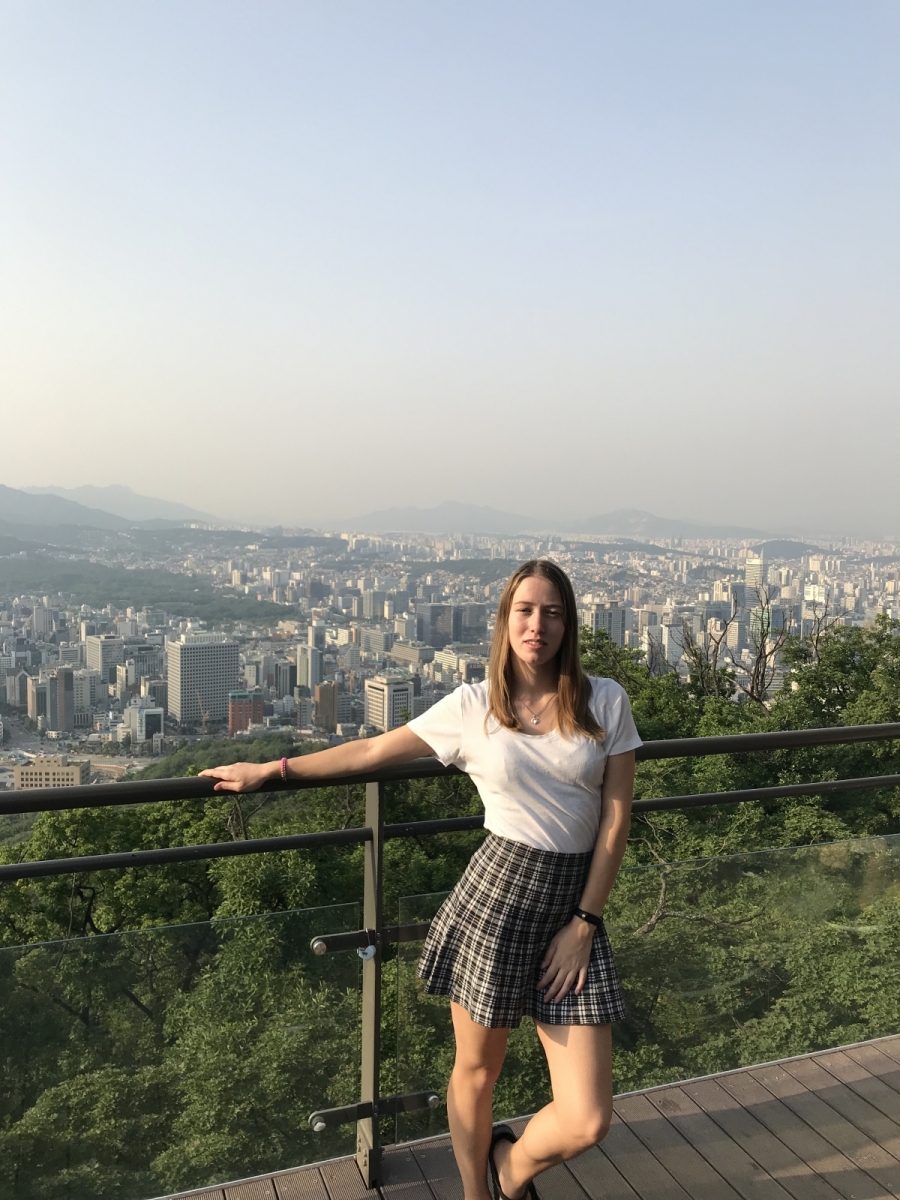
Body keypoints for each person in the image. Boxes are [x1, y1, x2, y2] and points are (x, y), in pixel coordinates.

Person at [201, 560, 641, 1200]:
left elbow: (616, 817)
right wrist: (275, 769)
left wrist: (586, 922)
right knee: (477, 1070)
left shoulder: (605, 700)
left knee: (587, 1118)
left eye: (552, 612)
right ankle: (474, 1193)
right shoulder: (473, 706)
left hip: (575, 909)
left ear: (568, 623)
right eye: (524, 610)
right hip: (497, 899)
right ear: (504, 621)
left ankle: (509, 1168)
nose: (537, 625)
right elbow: (372, 752)